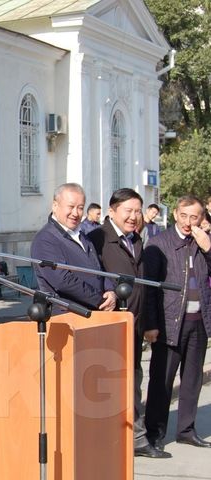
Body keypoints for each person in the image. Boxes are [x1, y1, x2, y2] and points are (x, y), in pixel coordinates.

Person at [87, 189, 169, 459]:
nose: (134, 217)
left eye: (137, 211)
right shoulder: (97, 239)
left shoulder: (135, 239)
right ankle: (116, 438)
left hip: (133, 325)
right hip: (108, 325)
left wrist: (149, 323)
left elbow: (144, 285)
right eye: (128, 211)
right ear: (112, 211)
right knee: (108, 385)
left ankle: (134, 437)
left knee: (133, 380)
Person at [143, 194, 211, 450]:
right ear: (174, 214)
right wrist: (151, 324)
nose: (187, 221)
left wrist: (208, 249)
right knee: (162, 380)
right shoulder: (159, 243)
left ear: (201, 218)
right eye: (183, 215)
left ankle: (186, 429)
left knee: (192, 379)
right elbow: (149, 288)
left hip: (198, 320)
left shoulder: (202, 242)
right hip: (169, 321)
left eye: (194, 217)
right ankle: (155, 433)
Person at [31, 182, 116, 311]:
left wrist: (110, 290)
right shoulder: (45, 239)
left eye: (80, 208)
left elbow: (98, 268)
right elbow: (63, 281)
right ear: (55, 206)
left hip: (93, 313)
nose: (75, 213)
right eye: (70, 207)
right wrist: (100, 300)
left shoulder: (83, 236)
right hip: (68, 315)